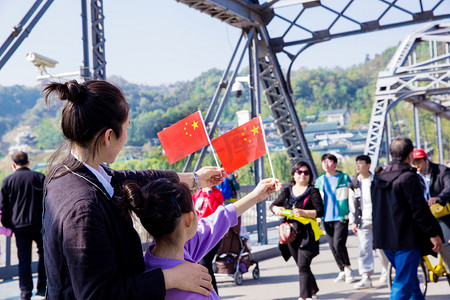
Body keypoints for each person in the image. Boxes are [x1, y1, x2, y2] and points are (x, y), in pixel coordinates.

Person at [42, 80, 226, 300]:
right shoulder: (84, 209)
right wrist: (171, 278)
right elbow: (97, 294)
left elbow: (134, 177)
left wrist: (195, 179)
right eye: (127, 128)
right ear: (108, 137)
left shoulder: (65, 172)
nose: (127, 135)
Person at [123, 177, 281, 299]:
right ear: (189, 218)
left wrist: (255, 196)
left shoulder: (151, 265)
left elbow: (219, 219)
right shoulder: (195, 290)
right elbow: (217, 220)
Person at [372, 137, 443, 299]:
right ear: (410, 155)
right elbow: (419, 210)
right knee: (403, 283)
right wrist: (433, 233)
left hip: (385, 239)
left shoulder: (378, 178)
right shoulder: (408, 177)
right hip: (406, 239)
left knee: (410, 282)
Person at [271, 161, 324, 300]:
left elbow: (320, 211)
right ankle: (313, 290)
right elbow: (274, 205)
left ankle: (304, 297)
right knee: (302, 266)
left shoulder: (312, 191)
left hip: (307, 234)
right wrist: (277, 209)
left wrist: (304, 213)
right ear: (294, 174)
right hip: (290, 234)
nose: (302, 175)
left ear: (310, 175)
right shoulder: (287, 191)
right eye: (299, 172)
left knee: (303, 265)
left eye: (306, 172)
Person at [0, 151, 46, 300]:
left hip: (19, 226)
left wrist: (9, 225)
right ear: (28, 162)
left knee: (24, 259)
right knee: (44, 256)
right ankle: (42, 288)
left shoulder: (7, 181)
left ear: (13, 165)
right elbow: (48, 202)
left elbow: (4, 206)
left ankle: (25, 293)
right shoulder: (39, 177)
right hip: (39, 224)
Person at [348, 155, 389, 290]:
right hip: (363, 219)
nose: (358, 166)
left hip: (379, 219)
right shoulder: (354, 184)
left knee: (382, 248)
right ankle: (366, 276)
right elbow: (352, 204)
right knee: (364, 249)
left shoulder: (377, 181)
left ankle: (386, 271)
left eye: (361, 163)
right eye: (357, 163)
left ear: (368, 165)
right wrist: (353, 221)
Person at [314, 153, 355, 283]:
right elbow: (316, 201)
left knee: (338, 243)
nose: (326, 164)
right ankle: (342, 270)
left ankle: (348, 268)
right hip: (326, 217)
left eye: (329, 161)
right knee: (332, 246)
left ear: (335, 164)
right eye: (324, 161)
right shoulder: (319, 180)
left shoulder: (344, 178)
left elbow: (356, 192)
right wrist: (317, 215)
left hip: (342, 216)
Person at [412, 148, 450, 271]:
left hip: (441, 213)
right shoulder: (412, 175)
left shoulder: (442, 171)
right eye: (414, 163)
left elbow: (448, 188)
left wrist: (439, 197)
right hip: (424, 214)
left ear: (426, 160)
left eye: (419, 162)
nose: (416, 166)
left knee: (443, 244)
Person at [192, 186, 224, 294]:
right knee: (201, 264)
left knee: (205, 263)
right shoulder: (197, 194)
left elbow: (215, 210)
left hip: (213, 233)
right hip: (199, 232)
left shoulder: (217, 193)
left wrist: (209, 193)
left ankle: (213, 293)